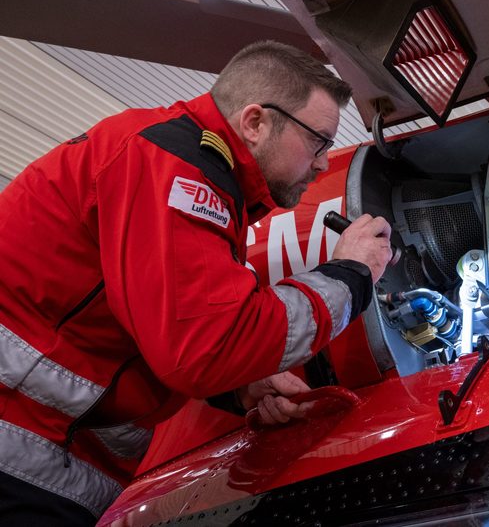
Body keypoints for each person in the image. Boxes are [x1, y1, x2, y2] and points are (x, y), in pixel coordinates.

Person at [0, 41, 393, 525]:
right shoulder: (176, 169)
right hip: (19, 452)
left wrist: (239, 386)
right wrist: (351, 274)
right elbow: (204, 350)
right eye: (318, 141)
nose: (322, 163)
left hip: (45, 460)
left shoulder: (178, 167)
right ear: (255, 123)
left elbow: (153, 333)